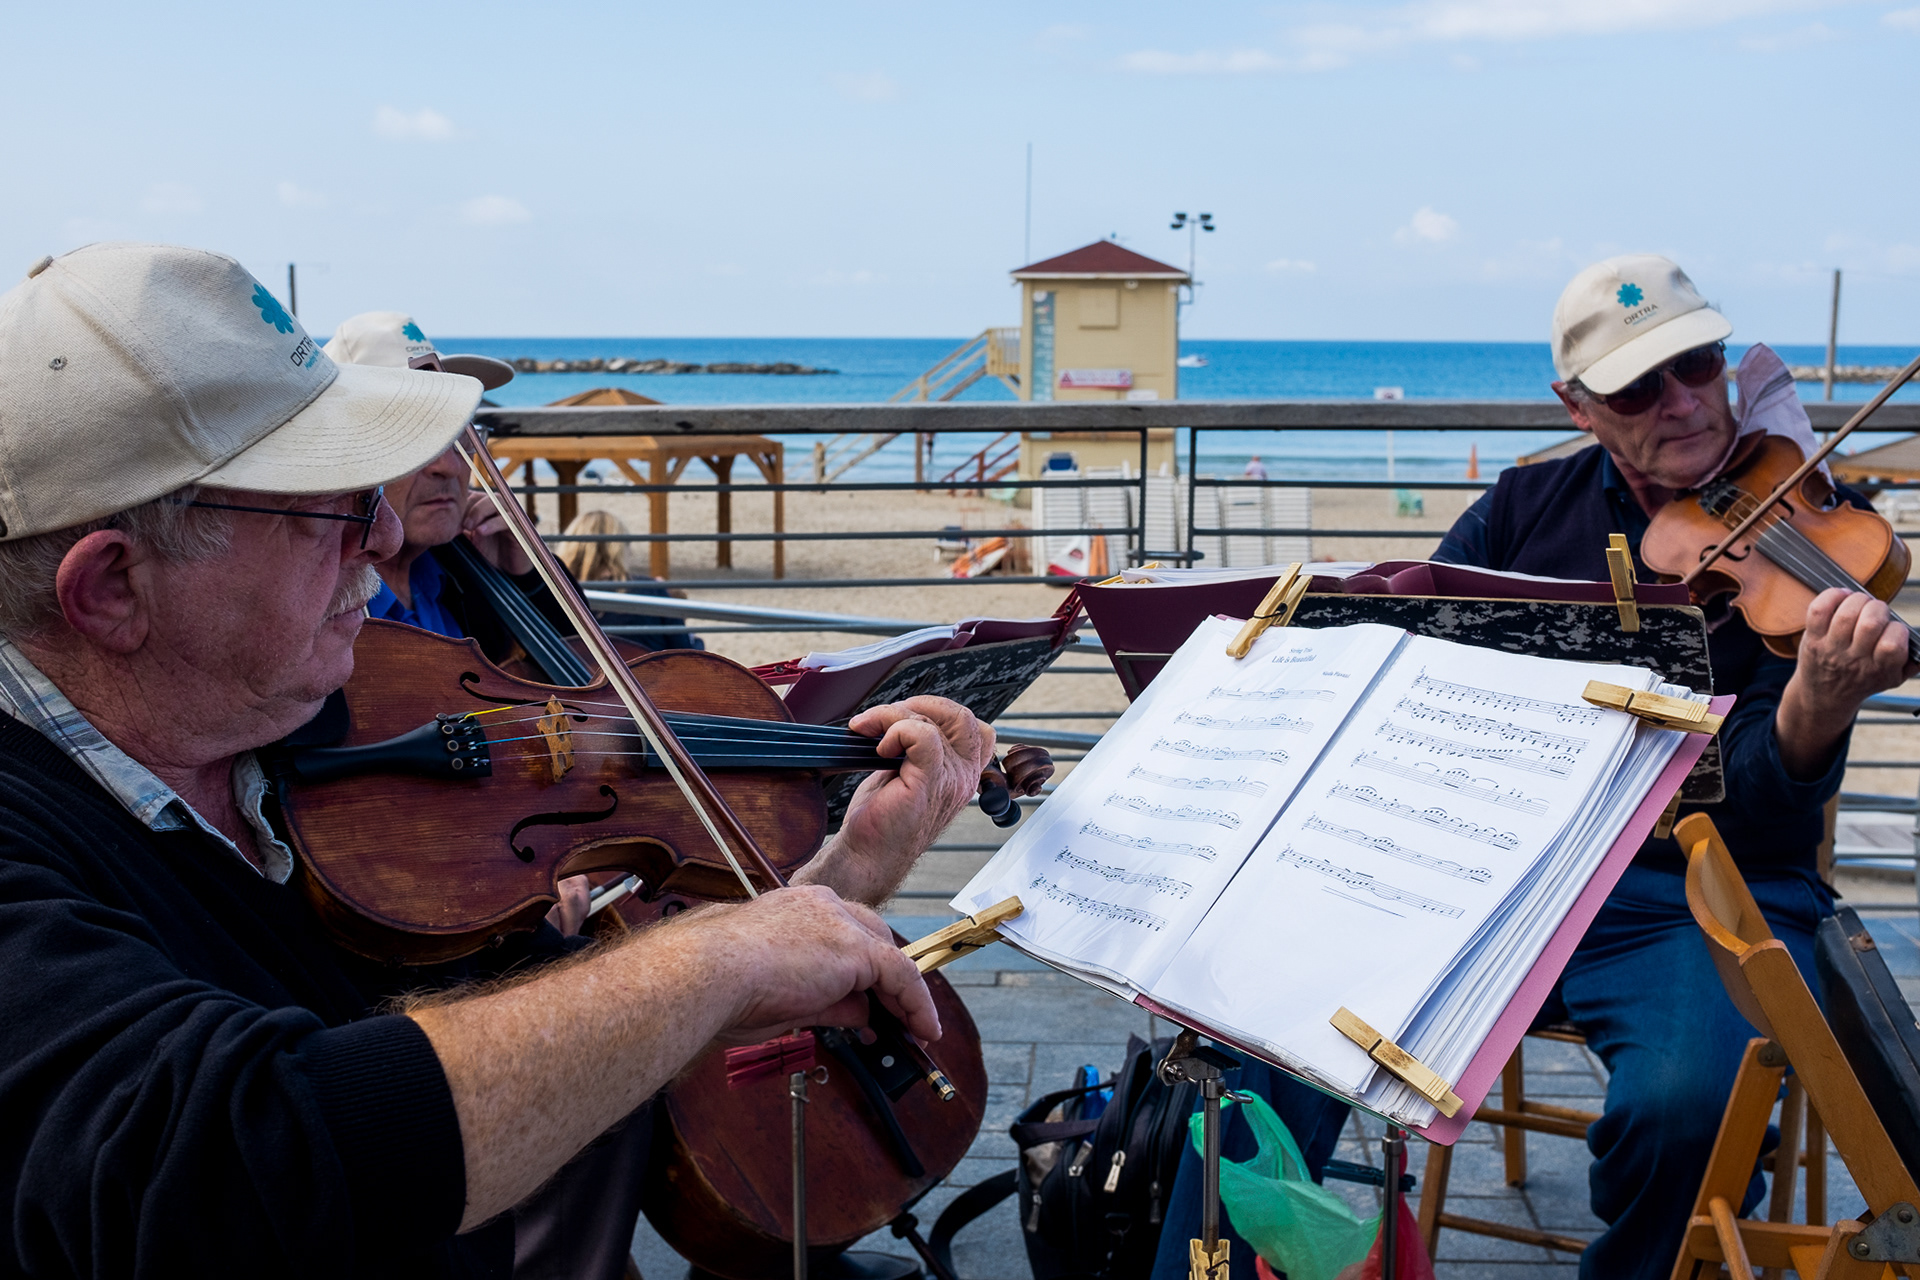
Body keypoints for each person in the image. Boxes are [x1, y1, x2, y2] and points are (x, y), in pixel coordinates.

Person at [0, 243, 996, 1278]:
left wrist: (833, 884)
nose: (384, 531)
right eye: (329, 504)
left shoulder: (283, 745)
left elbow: (536, 1041)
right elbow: (225, 1167)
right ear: (112, 588)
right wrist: (723, 956)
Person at [1428, 253, 1914, 1278]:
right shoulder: (1522, 510)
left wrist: (1818, 703)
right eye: (1639, 387)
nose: (1686, 402)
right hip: (1511, 873)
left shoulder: (1815, 521)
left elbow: (1768, 810)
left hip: (1697, 888)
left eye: (1698, 364)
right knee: (1252, 1025)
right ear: (1577, 405)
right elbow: (1420, 640)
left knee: (1692, 1103)